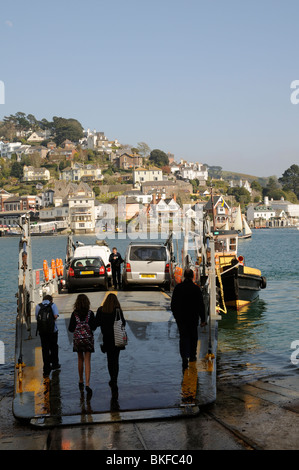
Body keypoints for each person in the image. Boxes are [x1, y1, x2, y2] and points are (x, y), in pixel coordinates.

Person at [170, 268, 206, 370]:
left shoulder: (178, 288)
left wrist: (176, 316)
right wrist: (203, 319)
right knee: (193, 336)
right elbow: (201, 305)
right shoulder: (196, 289)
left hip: (181, 318)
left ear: (184, 276)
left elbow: (173, 305)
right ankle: (192, 356)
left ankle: (184, 357)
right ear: (193, 277)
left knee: (183, 337)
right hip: (193, 317)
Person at [96, 293, 126, 400]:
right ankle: (114, 380)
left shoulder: (101, 310)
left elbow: (96, 323)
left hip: (107, 339)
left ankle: (111, 378)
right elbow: (124, 323)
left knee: (109, 360)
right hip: (117, 339)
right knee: (116, 360)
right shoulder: (117, 310)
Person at [68, 294, 97, 398]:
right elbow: (94, 326)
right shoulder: (90, 313)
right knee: (87, 360)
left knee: (80, 359)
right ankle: (88, 384)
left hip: (78, 340)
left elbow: (71, 329)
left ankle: (81, 380)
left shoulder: (74, 314)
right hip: (88, 339)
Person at [35, 294, 60, 378]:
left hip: (42, 332)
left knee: (45, 349)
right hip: (53, 331)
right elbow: (56, 316)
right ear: (51, 300)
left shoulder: (38, 306)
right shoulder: (53, 305)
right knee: (54, 347)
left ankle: (46, 369)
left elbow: (36, 318)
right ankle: (55, 364)